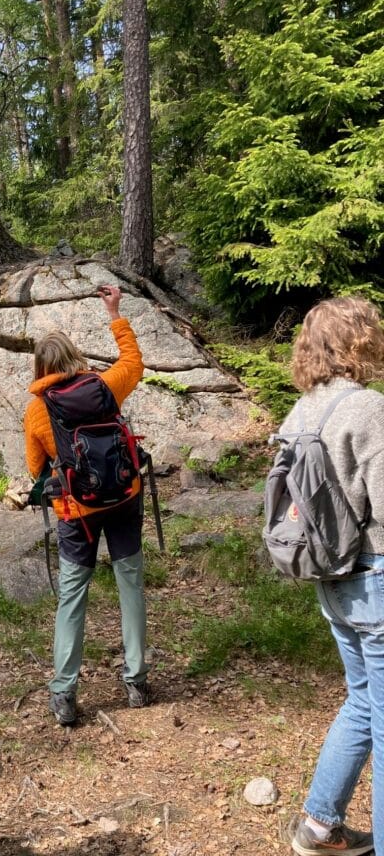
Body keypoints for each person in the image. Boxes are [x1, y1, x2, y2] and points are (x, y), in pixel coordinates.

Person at [283, 297, 384, 856]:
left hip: (332, 581)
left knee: (363, 702)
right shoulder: (368, 408)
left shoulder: (301, 412)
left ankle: (320, 827)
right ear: (360, 340)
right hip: (376, 576)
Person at [24, 284, 147, 726]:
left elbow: (35, 466)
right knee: (130, 584)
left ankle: (64, 693)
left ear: (41, 367)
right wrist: (115, 313)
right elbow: (134, 363)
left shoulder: (38, 410)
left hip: (78, 513)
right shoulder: (105, 386)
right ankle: (136, 680)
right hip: (124, 499)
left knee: (73, 597)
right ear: (75, 356)